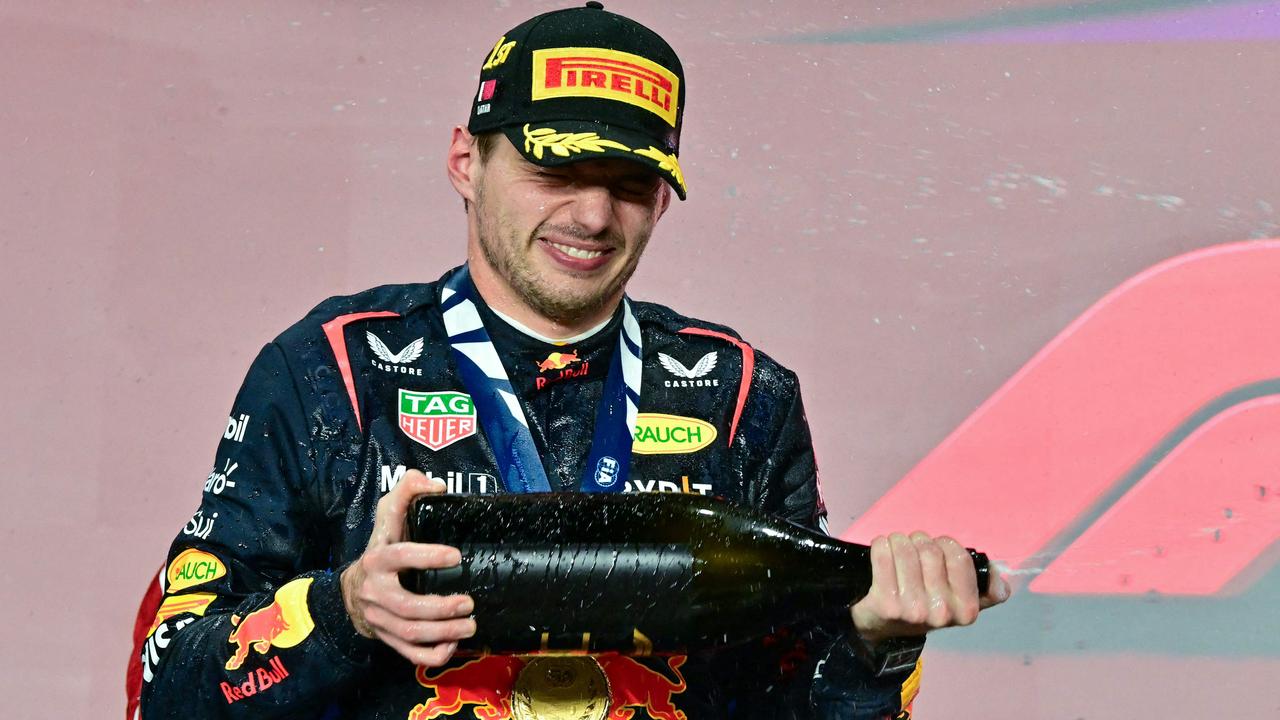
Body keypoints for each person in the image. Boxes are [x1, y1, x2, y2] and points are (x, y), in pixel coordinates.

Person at [132, 3, 1010, 719]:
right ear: (464, 161)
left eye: (631, 183)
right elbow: (167, 682)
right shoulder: (328, 369)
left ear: (663, 200)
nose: (595, 216)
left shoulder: (746, 395)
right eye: (558, 171)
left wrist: (876, 637)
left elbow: (797, 702)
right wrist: (344, 611)